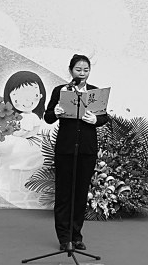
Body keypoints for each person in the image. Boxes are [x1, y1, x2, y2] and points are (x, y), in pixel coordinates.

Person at [44, 54, 108, 251]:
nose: (82, 73)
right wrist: (56, 113)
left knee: (80, 194)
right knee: (64, 193)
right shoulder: (60, 91)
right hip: (65, 148)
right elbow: (48, 117)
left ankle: (76, 236)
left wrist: (95, 120)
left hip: (87, 149)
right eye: (78, 69)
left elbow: (104, 117)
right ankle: (64, 238)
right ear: (71, 70)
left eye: (86, 70)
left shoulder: (95, 92)